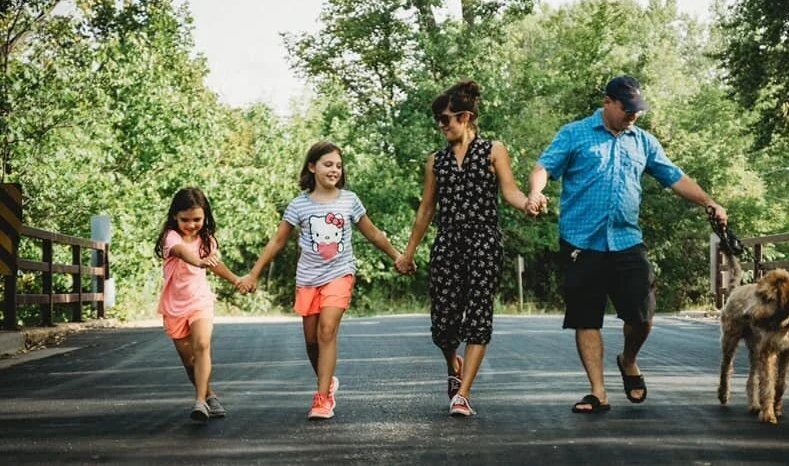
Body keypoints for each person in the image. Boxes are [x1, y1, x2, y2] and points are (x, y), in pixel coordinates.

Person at [525, 75, 728, 414]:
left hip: (626, 239)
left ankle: (628, 359)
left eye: (637, 109)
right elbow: (543, 167)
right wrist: (535, 192)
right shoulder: (575, 133)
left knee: (643, 314)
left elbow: (674, 176)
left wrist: (709, 202)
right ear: (608, 102)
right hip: (581, 240)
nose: (633, 115)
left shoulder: (643, 141)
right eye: (627, 108)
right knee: (586, 318)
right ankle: (598, 392)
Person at [395, 79, 534, 417]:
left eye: (446, 119)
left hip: (484, 242)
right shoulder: (436, 161)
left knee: (478, 316)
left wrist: (528, 203)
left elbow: (510, 191)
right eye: (438, 120)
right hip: (448, 243)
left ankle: (463, 394)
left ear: (466, 117)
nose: (441, 126)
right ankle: (452, 363)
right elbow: (426, 209)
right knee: (443, 324)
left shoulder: (493, 150)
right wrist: (408, 252)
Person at [238, 141, 403, 421]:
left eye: (338, 165)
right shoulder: (299, 205)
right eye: (328, 164)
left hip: (340, 273)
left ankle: (322, 397)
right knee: (312, 341)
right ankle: (327, 381)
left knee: (327, 331)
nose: (334, 170)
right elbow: (278, 241)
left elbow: (373, 233)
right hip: (308, 279)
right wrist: (254, 273)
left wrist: (398, 256)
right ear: (312, 167)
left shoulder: (349, 200)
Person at [154, 187, 249, 423]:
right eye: (185, 219)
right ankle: (210, 396)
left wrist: (236, 280)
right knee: (190, 362)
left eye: (197, 219)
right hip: (174, 306)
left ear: (205, 215)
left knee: (202, 345)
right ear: (175, 217)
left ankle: (199, 402)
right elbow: (182, 253)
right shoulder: (170, 237)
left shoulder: (207, 240)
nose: (191, 225)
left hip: (200, 301)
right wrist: (199, 261)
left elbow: (215, 265)